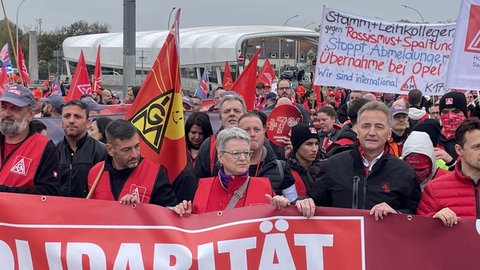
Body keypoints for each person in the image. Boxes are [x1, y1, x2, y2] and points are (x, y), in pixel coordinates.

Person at [269, 101, 421, 219]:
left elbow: (415, 217)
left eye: (379, 127)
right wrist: (300, 202)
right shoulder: (333, 166)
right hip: (342, 251)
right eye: (366, 126)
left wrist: (397, 214)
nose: (372, 132)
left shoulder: (404, 173)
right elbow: (315, 202)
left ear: (389, 133)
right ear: (357, 130)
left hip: (381, 252)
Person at [88, 119, 198, 205]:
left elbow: (168, 210)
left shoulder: (155, 172)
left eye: (137, 146)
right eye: (126, 150)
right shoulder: (95, 173)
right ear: (110, 150)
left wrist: (140, 210)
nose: (135, 154)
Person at [173, 127, 274, 215]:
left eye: (246, 153)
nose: (243, 158)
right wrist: (185, 214)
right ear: (220, 157)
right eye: (236, 153)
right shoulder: (203, 186)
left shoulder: (264, 187)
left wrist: (282, 207)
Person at [417, 118, 480, 227]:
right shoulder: (434, 189)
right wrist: (434, 220)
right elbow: (419, 232)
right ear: (459, 150)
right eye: (477, 147)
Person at [0, 84, 59, 194]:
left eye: (15, 109)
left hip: (19, 211)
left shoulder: (45, 148)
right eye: (3, 107)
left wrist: (5, 192)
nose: (6, 113)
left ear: (31, 114)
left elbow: (49, 193)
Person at [237, 112, 297, 200]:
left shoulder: (281, 168)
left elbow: (293, 203)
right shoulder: (225, 166)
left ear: (264, 130)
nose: (252, 134)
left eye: (257, 129)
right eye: (247, 130)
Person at [57, 100, 107, 198]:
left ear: (88, 123)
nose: (71, 120)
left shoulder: (102, 152)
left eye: (77, 116)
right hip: (58, 210)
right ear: (61, 122)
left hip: (89, 211)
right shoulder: (52, 151)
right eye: (66, 116)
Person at [195, 95, 247, 178]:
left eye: (236, 111)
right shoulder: (208, 145)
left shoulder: (256, 141)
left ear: (244, 116)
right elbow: (199, 180)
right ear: (220, 118)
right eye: (227, 111)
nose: (232, 114)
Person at [286, 123, 322, 197]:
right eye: (309, 144)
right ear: (297, 146)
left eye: (316, 144)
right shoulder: (286, 172)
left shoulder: (324, 169)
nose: (314, 149)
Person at [437, 91, 468, 170]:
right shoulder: (433, 138)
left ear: (465, 114)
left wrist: (452, 163)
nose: (450, 116)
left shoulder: (475, 140)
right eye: (445, 112)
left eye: (456, 111)